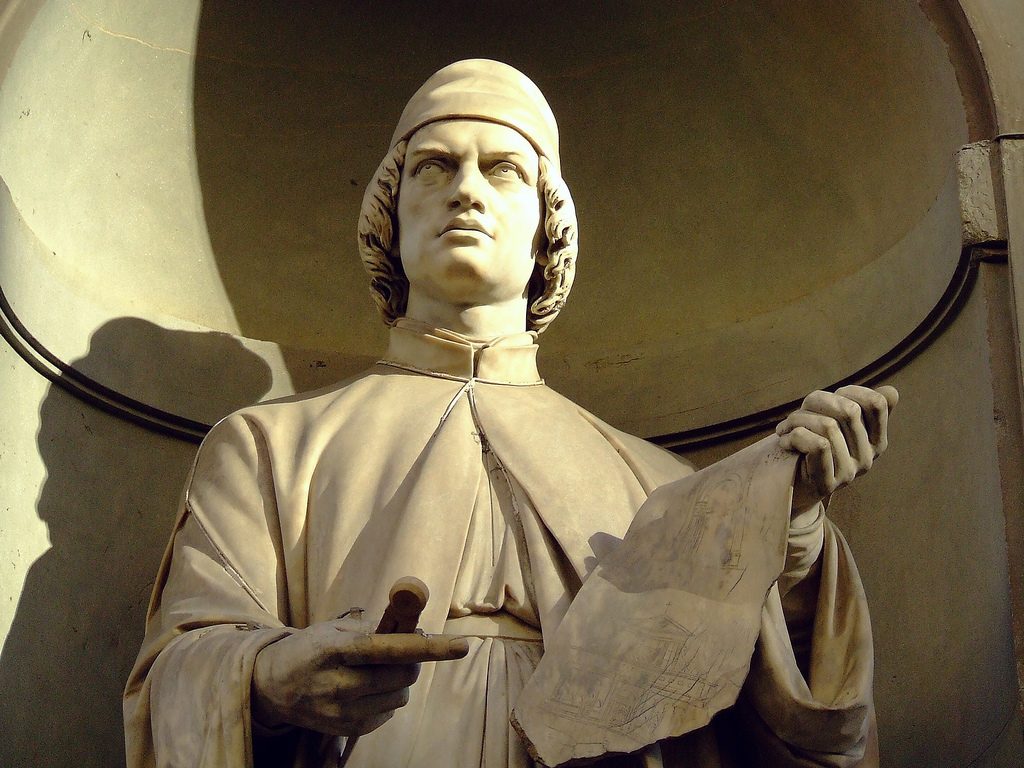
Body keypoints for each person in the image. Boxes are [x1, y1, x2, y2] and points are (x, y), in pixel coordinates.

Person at [124, 59, 892, 768]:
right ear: (390, 214)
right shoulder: (270, 446)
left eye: (504, 170)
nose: (466, 190)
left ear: (546, 228)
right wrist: (267, 678)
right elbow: (180, 669)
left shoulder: (656, 482)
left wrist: (789, 532)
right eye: (433, 166)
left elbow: (761, 710)